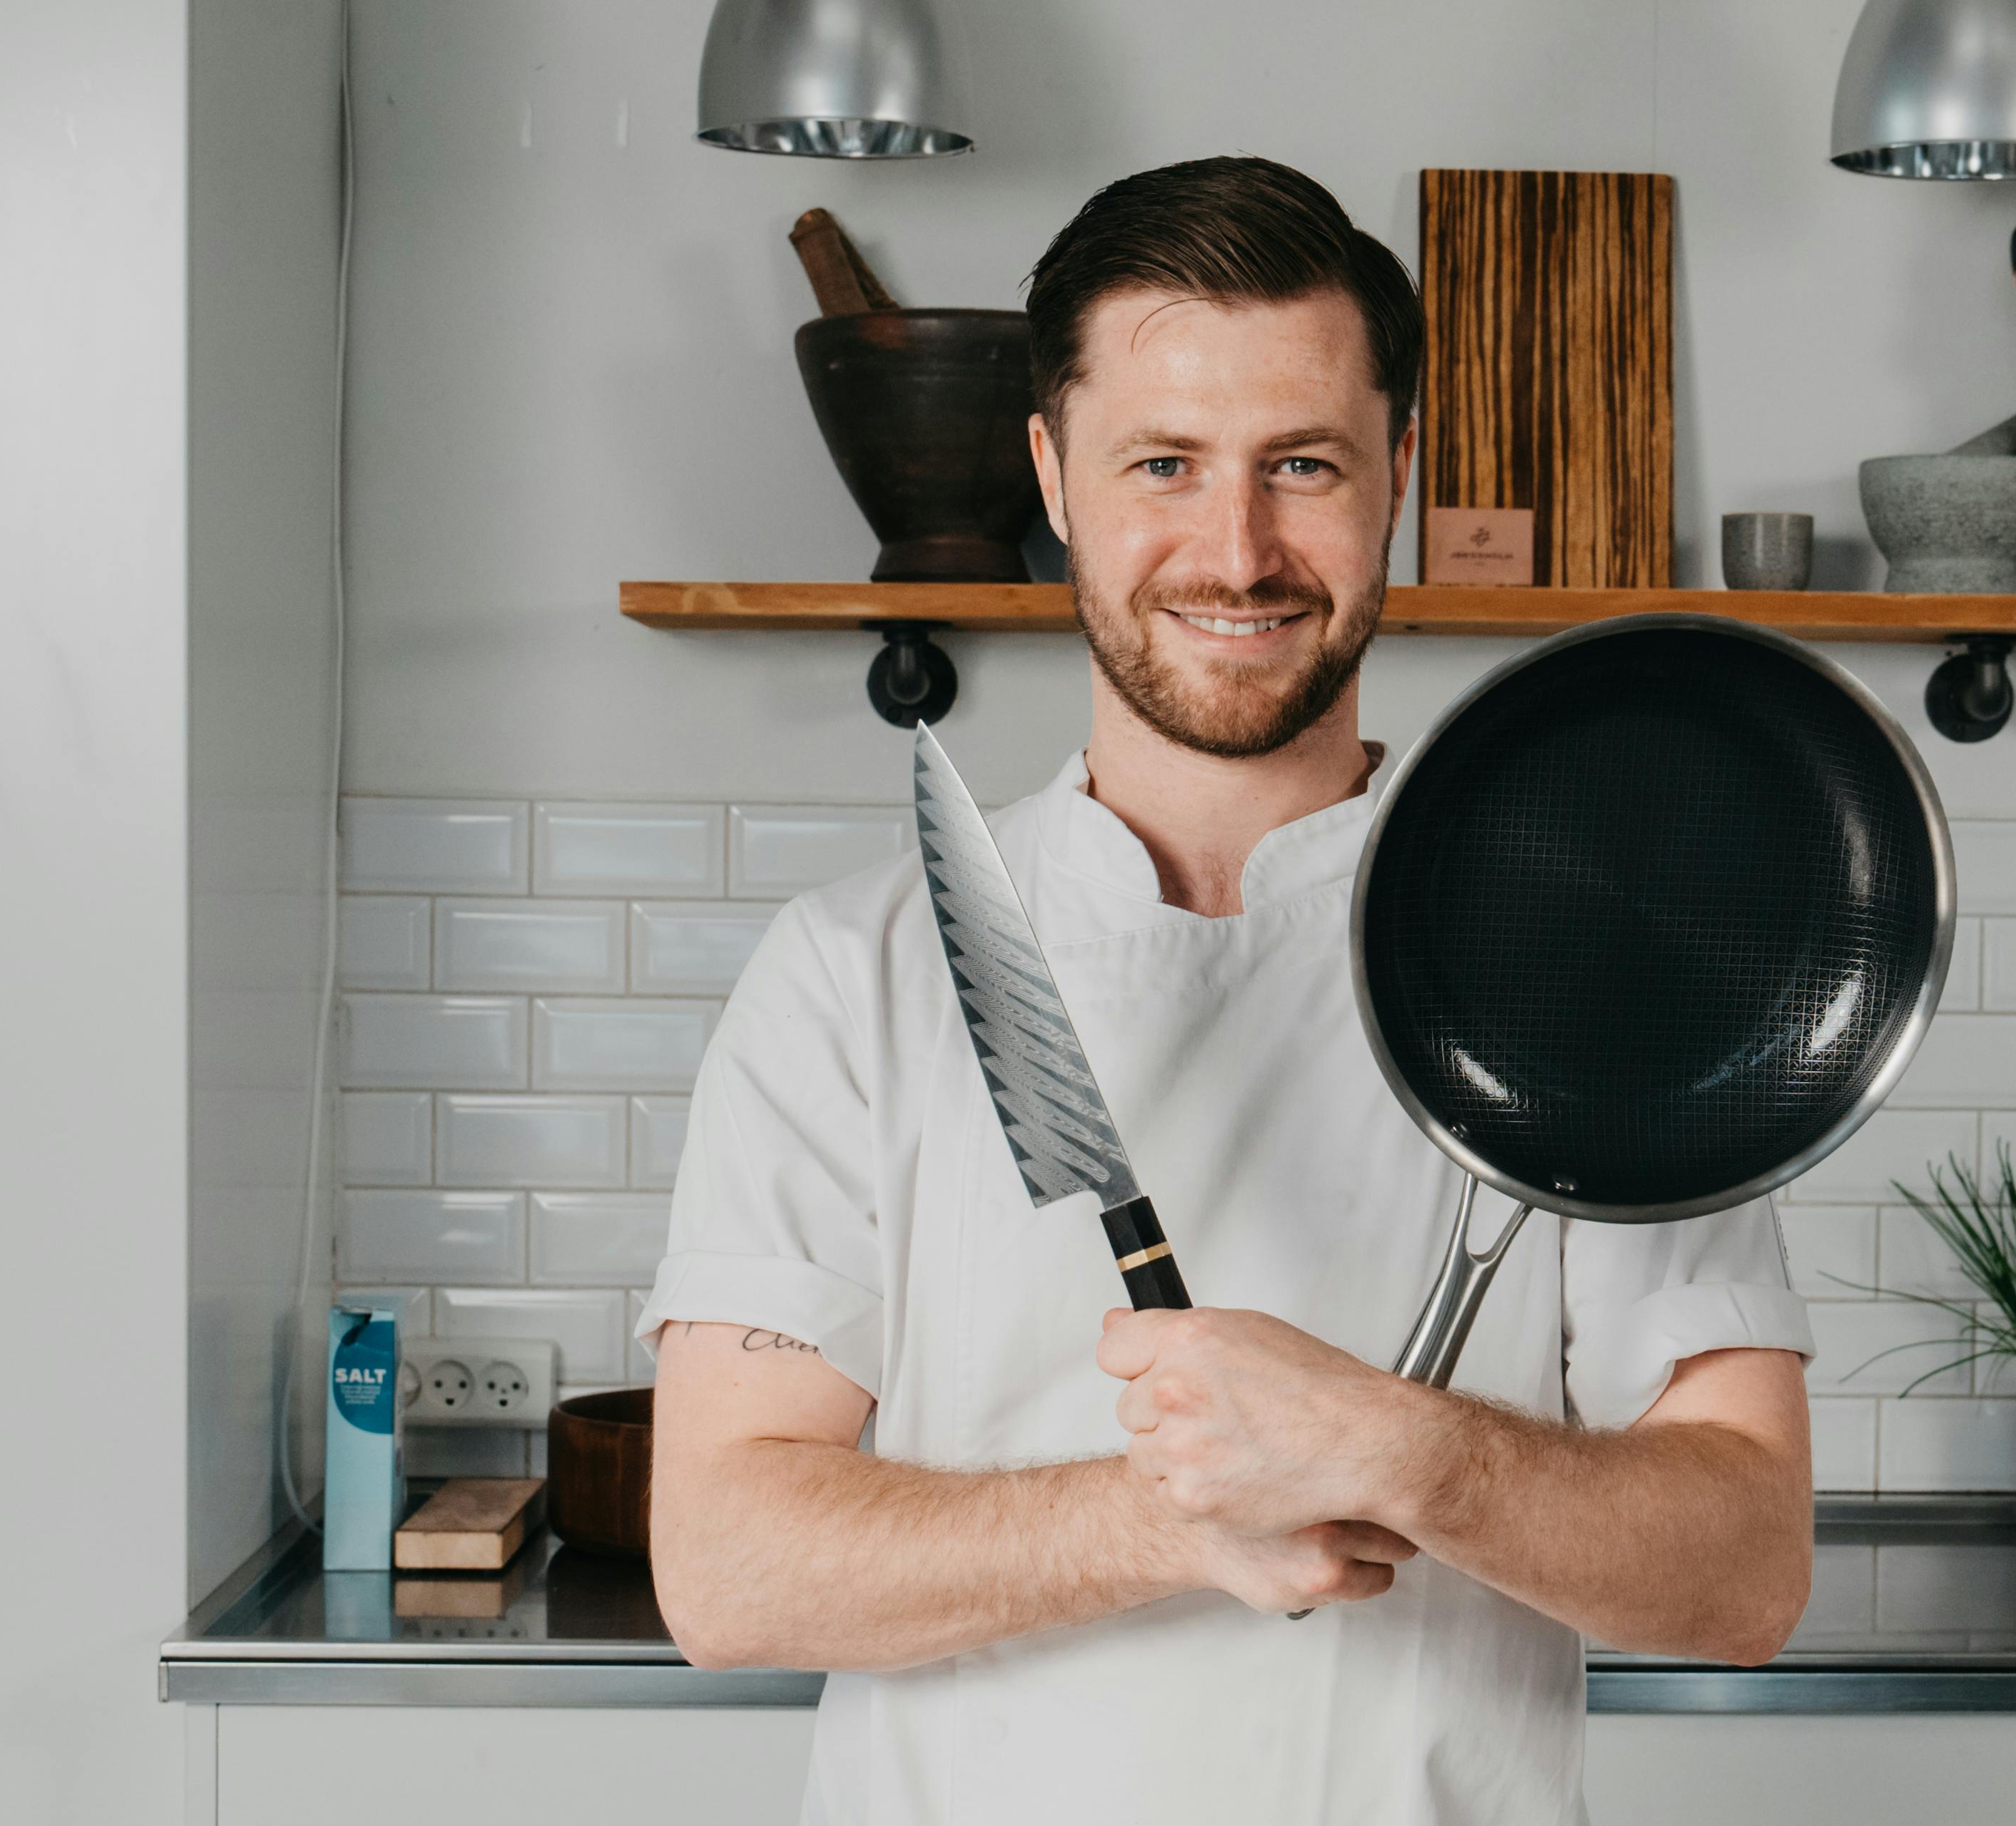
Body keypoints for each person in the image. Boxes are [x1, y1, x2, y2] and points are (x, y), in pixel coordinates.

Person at [640, 156, 1816, 1825]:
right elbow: (728, 1568)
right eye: (1165, 464)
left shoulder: (1593, 972)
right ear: (1053, 473)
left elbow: (1746, 1566)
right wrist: (1167, 1520)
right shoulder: (861, 971)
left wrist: (1410, 1451)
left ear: (1396, 471)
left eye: (1304, 464)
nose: (1239, 548)